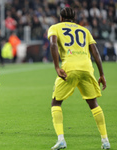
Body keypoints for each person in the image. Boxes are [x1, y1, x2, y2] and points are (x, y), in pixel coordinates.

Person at [47, 7, 110, 150]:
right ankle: (105, 140)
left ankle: (61, 139)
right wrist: (102, 74)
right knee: (93, 103)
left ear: (61, 18)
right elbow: (95, 52)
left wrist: (57, 67)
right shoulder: (85, 30)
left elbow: (53, 44)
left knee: (56, 103)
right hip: (87, 68)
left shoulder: (55, 27)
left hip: (69, 68)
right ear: (75, 19)